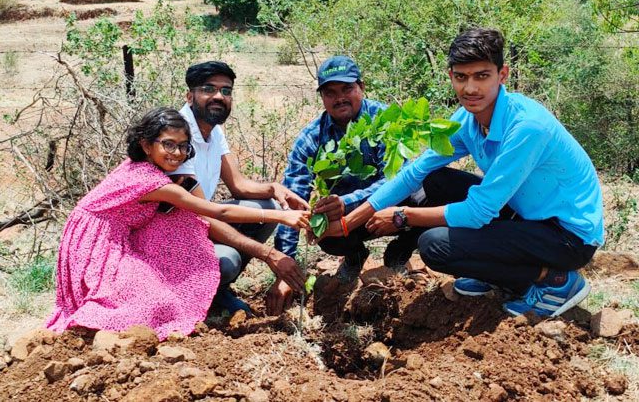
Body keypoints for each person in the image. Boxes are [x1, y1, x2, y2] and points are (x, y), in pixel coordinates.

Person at [318, 28, 604, 318]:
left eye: (482, 76)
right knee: (433, 179)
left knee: (435, 246)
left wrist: (402, 216)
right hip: (527, 216)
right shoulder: (468, 118)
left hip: (567, 236)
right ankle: (492, 269)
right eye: (461, 77)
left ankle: (554, 281)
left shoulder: (527, 127)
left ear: (502, 75)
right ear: (451, 76)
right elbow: (415, 171)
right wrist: (347, 223)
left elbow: (479, 211)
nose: (470, 89)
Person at [46, 108, 310, 340]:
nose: (177, 153)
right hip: (96, 242)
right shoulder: (154, 182)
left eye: (183, 146)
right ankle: (97, 326)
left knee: (153, 293)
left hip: (109, 236)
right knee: (146, 302)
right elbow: (219, 211)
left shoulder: (145, 168)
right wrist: (281, 216)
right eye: (168, 145)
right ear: (146, 145)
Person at [272, 55, 418, 309]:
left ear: (361, 87)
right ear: (322, 98)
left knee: (422, 194)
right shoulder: (312, 137)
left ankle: (399, 252)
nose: (339, 98)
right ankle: (355, 255)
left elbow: (397, 179)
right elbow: (293, 198)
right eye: (330, 92)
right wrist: (284, 269)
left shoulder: (386, 121)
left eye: (347, 89)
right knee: (321, 226)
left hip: (389, 208)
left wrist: (347, 202)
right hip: (346, 221)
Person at [173, 61, 311, 315]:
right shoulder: (177, 135)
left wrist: (275, 189)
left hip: (198, 222)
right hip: (173, 235)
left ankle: (216, 291)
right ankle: (202, 297)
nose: (218, 96)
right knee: (225, 262)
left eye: (226, 91)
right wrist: (268, 254)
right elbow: (201, 214)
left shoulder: (213, 131)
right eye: (209, 89)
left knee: (264, 204)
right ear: (190, 95)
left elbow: (238, 185)